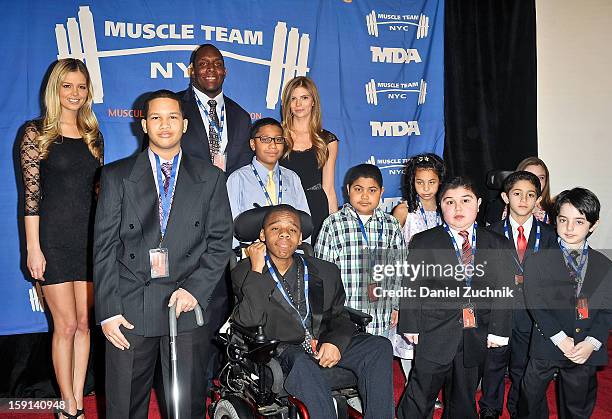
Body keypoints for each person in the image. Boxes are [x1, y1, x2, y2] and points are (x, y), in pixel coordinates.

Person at [93, 90, 233, 418]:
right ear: (143, 125)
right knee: (123, 407)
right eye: (156, 117)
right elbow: (104, 248)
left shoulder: (211, 178)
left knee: (186, 407)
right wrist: (108, 310)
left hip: (184, 305)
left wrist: (196, 290)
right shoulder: (116, 177)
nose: (165, 124)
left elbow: (220, 240)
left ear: (185, 124)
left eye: (172, 117)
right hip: (129, 307)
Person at [232, 204, 395, 419]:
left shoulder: (325, 271)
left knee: (378, 346)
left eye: (292, 230)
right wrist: (256, 268)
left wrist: (334, 341)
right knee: (302, 362)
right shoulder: (245, 273)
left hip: (321, 340)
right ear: (262, 235)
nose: (284, 234)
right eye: (275, 228)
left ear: (300, 238)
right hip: (278, 348)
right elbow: (250, 319)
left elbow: (339, 315)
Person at [20, 58, 103, 419]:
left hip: (89, 240)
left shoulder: (92, 136)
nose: (75, 93)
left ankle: (79, 400)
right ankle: (67, 404)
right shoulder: (35, 133)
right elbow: (30, 197)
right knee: (66, 325)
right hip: (52, 239)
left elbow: (101, 193)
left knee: (85, 325)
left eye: (81, 86)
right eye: (67, 86)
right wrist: (33, 248)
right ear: (55, 89)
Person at [397, 177, 514, 419]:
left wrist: (499, 330)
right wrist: (410, 323)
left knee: (463, 396)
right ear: (441, 206)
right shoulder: (425, 241)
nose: (458, 208)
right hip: (433, 331)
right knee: (421, 393)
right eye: (450, 202)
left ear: (479, 204)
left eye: (465, 200)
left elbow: (504, 290)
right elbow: (412, 285)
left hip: (474, 332)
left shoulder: (498, 244)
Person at [519, 188, 612, 419]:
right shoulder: (537, 260)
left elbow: (607, 310)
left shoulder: (604, 265)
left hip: (584, 347)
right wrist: (560, 338)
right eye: (563, 220)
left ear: (593, 224)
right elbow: (535, 302)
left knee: (578, 403)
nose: (569, 228)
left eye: (579, 221)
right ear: (555, 220)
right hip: (548, 342)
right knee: (530, 398)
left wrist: (592, 342)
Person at [479, 171, 558, 419]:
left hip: (531, 314)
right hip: (498, 313)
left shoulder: (549, 235)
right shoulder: (489, 233)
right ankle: (490, 410)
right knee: (493, 366)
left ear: (538, 199)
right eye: (517, 194)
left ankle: (517, 408)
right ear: (505, 197)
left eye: (530, 195)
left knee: (522, 366)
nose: (523, 199)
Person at [315, 164, 406, 338]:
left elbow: (399, 269)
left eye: (372, 190)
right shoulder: (333, 224)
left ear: (382, 191)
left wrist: (396, 306)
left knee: (378, 359)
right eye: (358, 189)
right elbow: (322, 273)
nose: (365, 196)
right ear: (348, 189)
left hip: (381, 316)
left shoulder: (391, 225)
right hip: (343, 318)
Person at [390, 153, 445, 383]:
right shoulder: (404, 211)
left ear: (440, 181)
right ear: (411, 182)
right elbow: (391, 255)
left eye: (431, 182)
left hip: (442, 285)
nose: (426, 188)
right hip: (411, 285)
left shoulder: (447, 209)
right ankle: (417, 388)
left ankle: (432, 386)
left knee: (437, 340)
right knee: (410, 341)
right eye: (419, 182)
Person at [227, 117, 309, 248]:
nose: (273, 145)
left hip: (290, 255)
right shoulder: (238, 179)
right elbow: (231, 229)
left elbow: (304, 224)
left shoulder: (292, 178)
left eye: (278, 139)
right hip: (252, 256)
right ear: (253, 144)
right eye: (265, 139)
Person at [280, 76, 339, 241]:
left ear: (313, 101)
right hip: (285, 207)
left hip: (316, 208)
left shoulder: (327, 140)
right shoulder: (278, 137)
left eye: (304, 97)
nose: (298, 104)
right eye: (293, 99)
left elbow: (329, 188)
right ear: (287, 104)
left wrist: (335, 227)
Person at [178, 43, 252, 174]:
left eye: (217, 64)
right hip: (185, 193)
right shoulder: (174, 107)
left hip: (227, 193)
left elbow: (244, 168)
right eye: (203, 64)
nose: (211, 68)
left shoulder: (241, 117)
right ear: (192, 71)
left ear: (225, 71)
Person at [486, 157, 553, 225]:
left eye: (541, 178)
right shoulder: (497, 207)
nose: (536, 181)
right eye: (529, 175)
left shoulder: (553, 210)